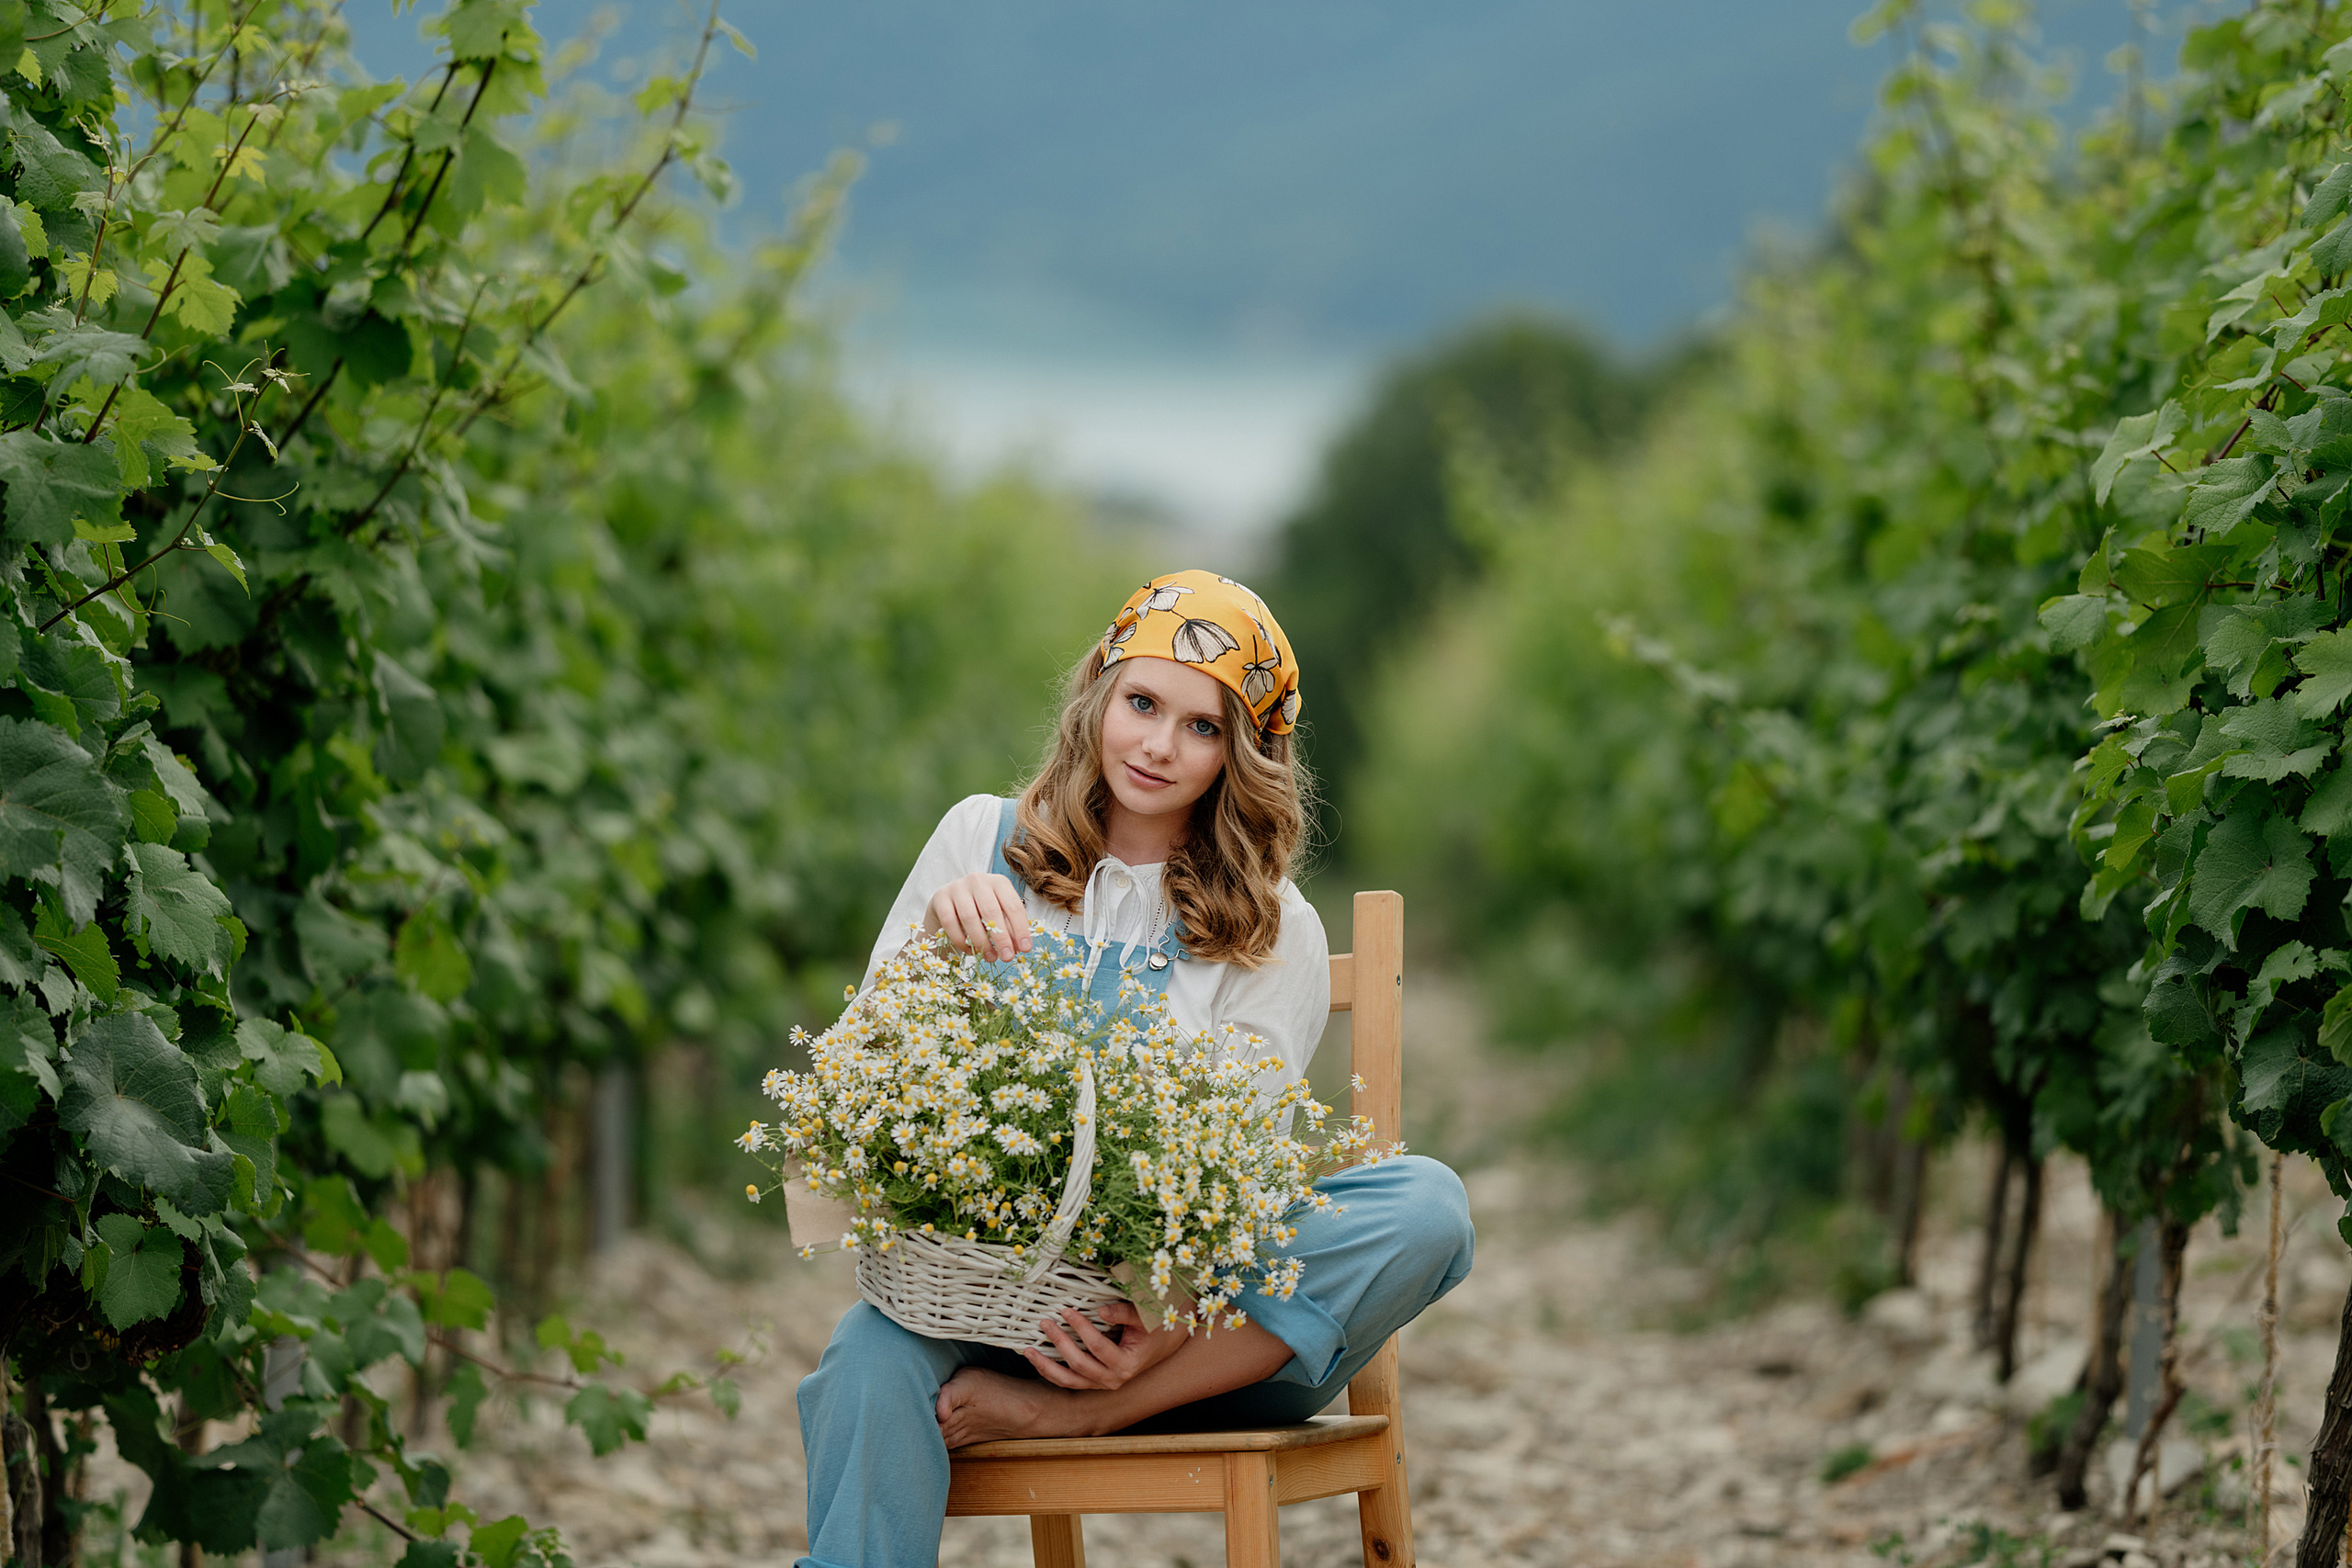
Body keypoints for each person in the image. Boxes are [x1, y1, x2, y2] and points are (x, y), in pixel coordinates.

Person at [794, 570, 1475, 1568]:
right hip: (993, 1308)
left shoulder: (1272, 926)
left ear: (1242, 755)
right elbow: (857, 1086)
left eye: (1202, 727)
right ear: (1098, 699)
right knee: (863, 1360)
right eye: (1142, 703)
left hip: (1195, 1345)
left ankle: (1076, 1418)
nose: (1157, 745)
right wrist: (939, 944)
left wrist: (1161, 1330)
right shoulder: (981, 841)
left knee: (1427, 1205)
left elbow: (1229, 1186)